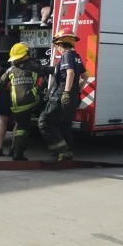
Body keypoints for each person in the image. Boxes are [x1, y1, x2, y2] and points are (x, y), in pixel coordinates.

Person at [0, 42, 52, 161]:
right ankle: (18, 152)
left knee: (21, 125)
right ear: (26, 54)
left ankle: (16, 151)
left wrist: (11, 85)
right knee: (44, 96)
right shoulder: (32, 64)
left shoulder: (11, 69)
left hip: (16, 105)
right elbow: (47, 70)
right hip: (31, 102)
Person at [39, 29, 87, 162]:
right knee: (64, 125)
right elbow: (85, 76)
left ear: (61, 44)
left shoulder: (66, 55)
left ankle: (61, 151)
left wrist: (66, 92)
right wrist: (76, 91)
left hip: (61, 95)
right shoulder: (76, 56)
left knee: (45, 122)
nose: (57, 48)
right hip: (73, 98)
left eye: (57, 45)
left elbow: (70, 73)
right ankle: (68, 153)